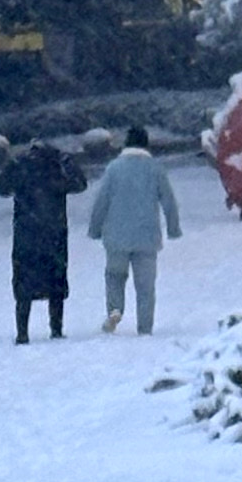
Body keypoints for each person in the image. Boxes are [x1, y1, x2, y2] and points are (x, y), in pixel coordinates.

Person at [87, 125, 184, 334]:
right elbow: (168, 200)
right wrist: (173, 228)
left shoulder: (114, 168)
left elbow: (101, 201)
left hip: (116, 236)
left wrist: (95, 229)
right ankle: (145, 327)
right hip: (147, 237)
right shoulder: (155, 168)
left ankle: (115, 310)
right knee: (146, 287)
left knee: (115, 276)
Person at [0, 133, 89, 341]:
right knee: (55, 280)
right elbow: (80, 184)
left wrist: (13, 167)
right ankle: (56, 328)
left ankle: (22, 332)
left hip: (26, 233)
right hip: (53, 232)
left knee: (24, 283)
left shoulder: (20, 166)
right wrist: (67, 162)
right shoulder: (56, 167)